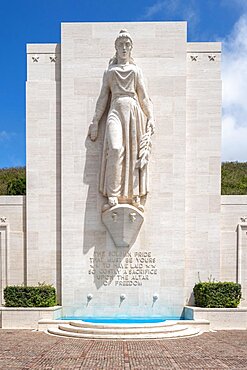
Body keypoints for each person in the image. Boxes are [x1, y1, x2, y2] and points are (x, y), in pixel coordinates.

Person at [89, 29, 154, 212]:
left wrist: (151, 117)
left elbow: (143, 97)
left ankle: (134, 194)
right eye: (120, 44)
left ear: (131, 48)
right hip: (115, 110)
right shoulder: (110, 72)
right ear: (116, 48)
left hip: (133, 112)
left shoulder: (136, 71)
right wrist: (95, 122)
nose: (124, 48)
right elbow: (102, 98)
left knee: (133, 153)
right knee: (116, 148)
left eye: (127, 44)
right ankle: (113, 193)